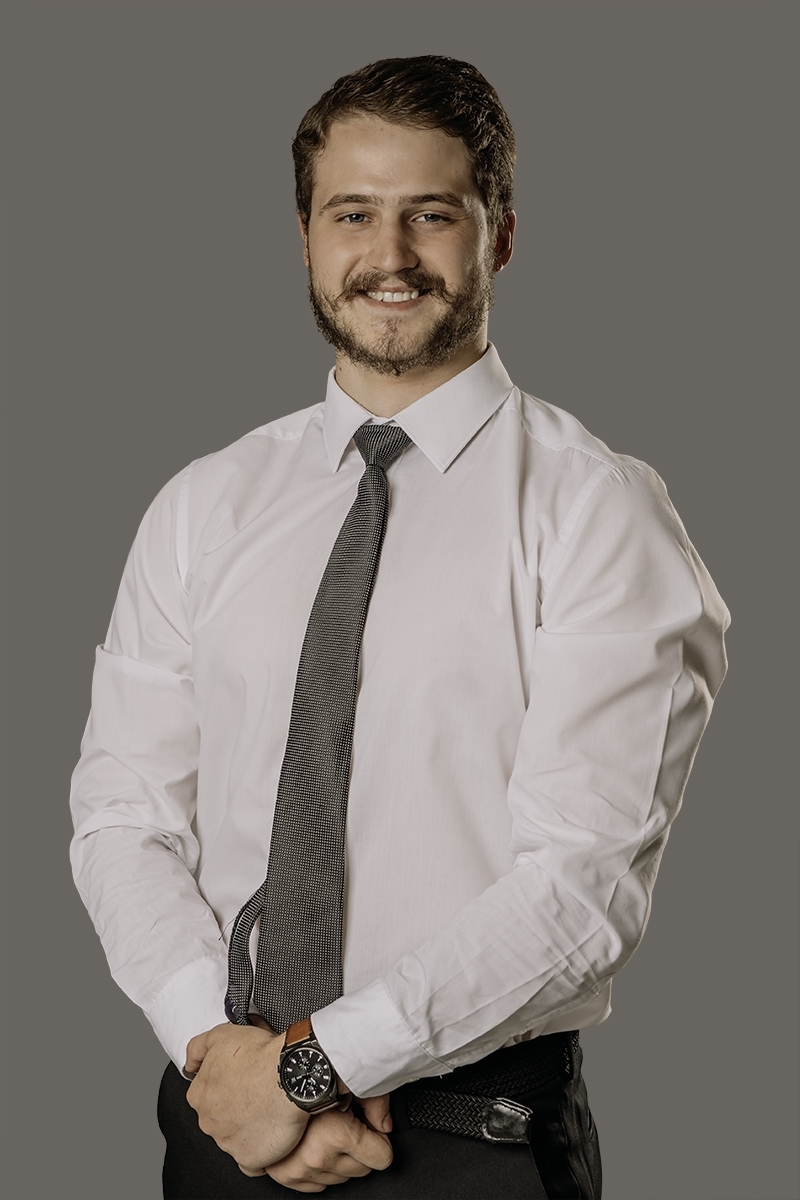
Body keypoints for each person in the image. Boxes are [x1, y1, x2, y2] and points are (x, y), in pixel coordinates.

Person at [70, 56, 729, 1199]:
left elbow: (580, 889)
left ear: (499, 237)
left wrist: (312, 1070)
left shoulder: (596, 512)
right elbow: (123, 816)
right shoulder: (203, 505)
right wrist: (219, 1056)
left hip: (469, 1140)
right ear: (304, 237)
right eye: (352, 215)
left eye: (431, 214)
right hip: (224, 1125)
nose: (389, 254)